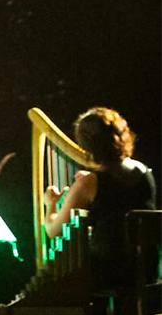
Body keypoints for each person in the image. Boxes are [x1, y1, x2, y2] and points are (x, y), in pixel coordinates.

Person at [43, 107, 156, 290]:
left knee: (64, 278)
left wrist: (51, 204)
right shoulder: (145, 172)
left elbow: (53, 230)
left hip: (107, 273)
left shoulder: (89, 182)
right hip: (147, 269)